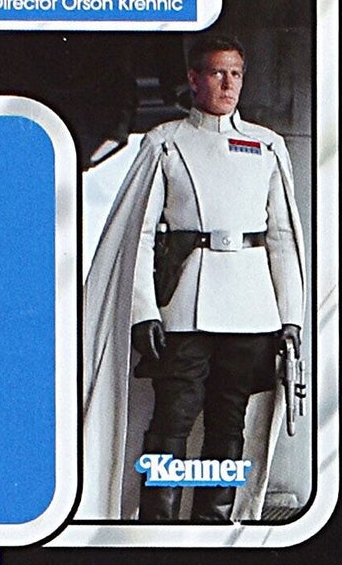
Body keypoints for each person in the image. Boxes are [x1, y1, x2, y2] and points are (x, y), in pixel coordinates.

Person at [77, 35, 307, 524]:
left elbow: (283, 238)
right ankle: (157, 522)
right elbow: (138, 235)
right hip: (184, 306)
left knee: (229, 422)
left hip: (252, 309)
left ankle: (213, 522)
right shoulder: (165, 142)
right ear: (194, 78)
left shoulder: (268, 146)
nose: (228, 84)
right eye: (218, 73)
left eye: (236, 74)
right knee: (172, 419)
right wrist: (144, 311)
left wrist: (291, 318)